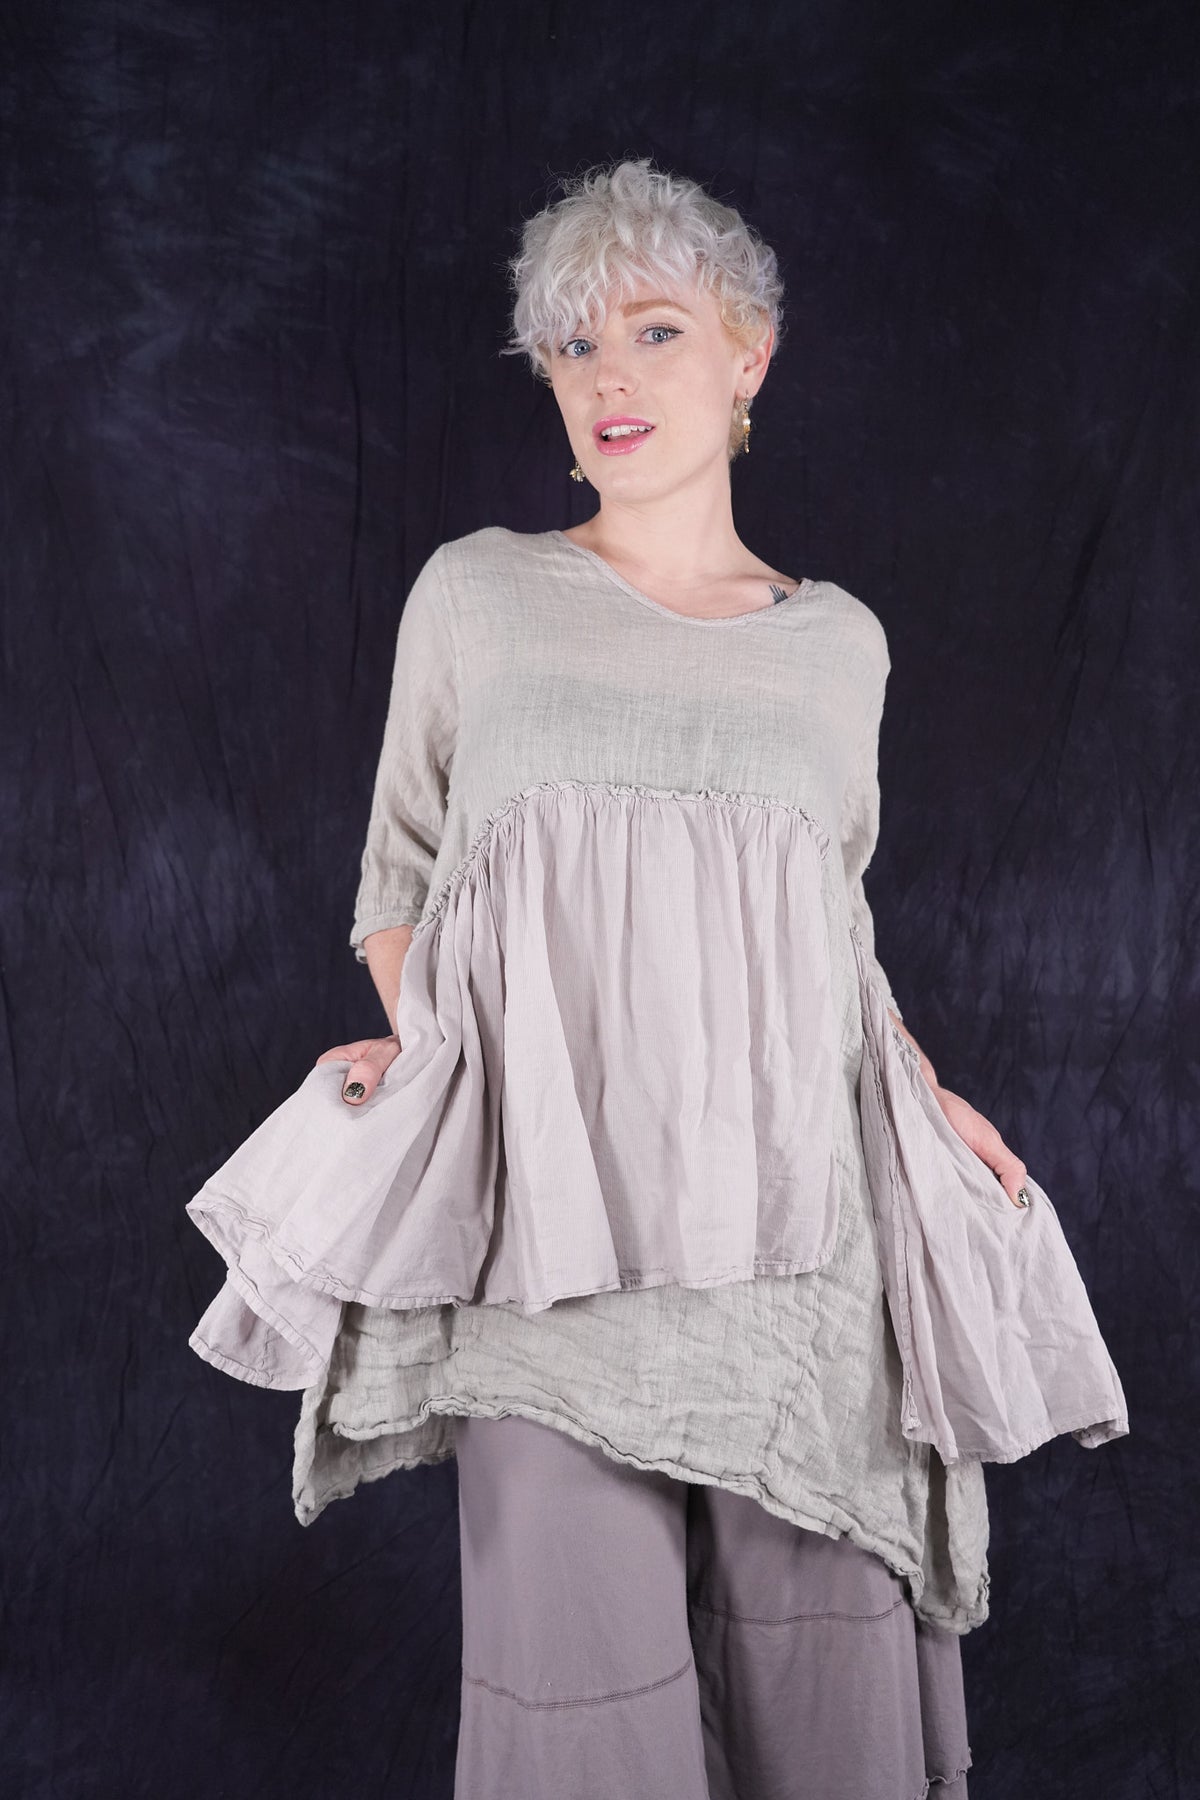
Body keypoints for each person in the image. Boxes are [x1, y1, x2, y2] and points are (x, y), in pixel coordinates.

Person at [184, 158, 1129, 1799]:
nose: (607, 375)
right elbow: (399, 884)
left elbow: (823, 929)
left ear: (750, 353)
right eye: (572, 345)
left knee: (824, 1703)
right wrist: (439, 1054)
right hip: (552, 1243)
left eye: (654, 330)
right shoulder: (478, 593)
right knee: (577, 1717)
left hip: (801, 1253)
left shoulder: (843, 645)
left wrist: (922, 1083)